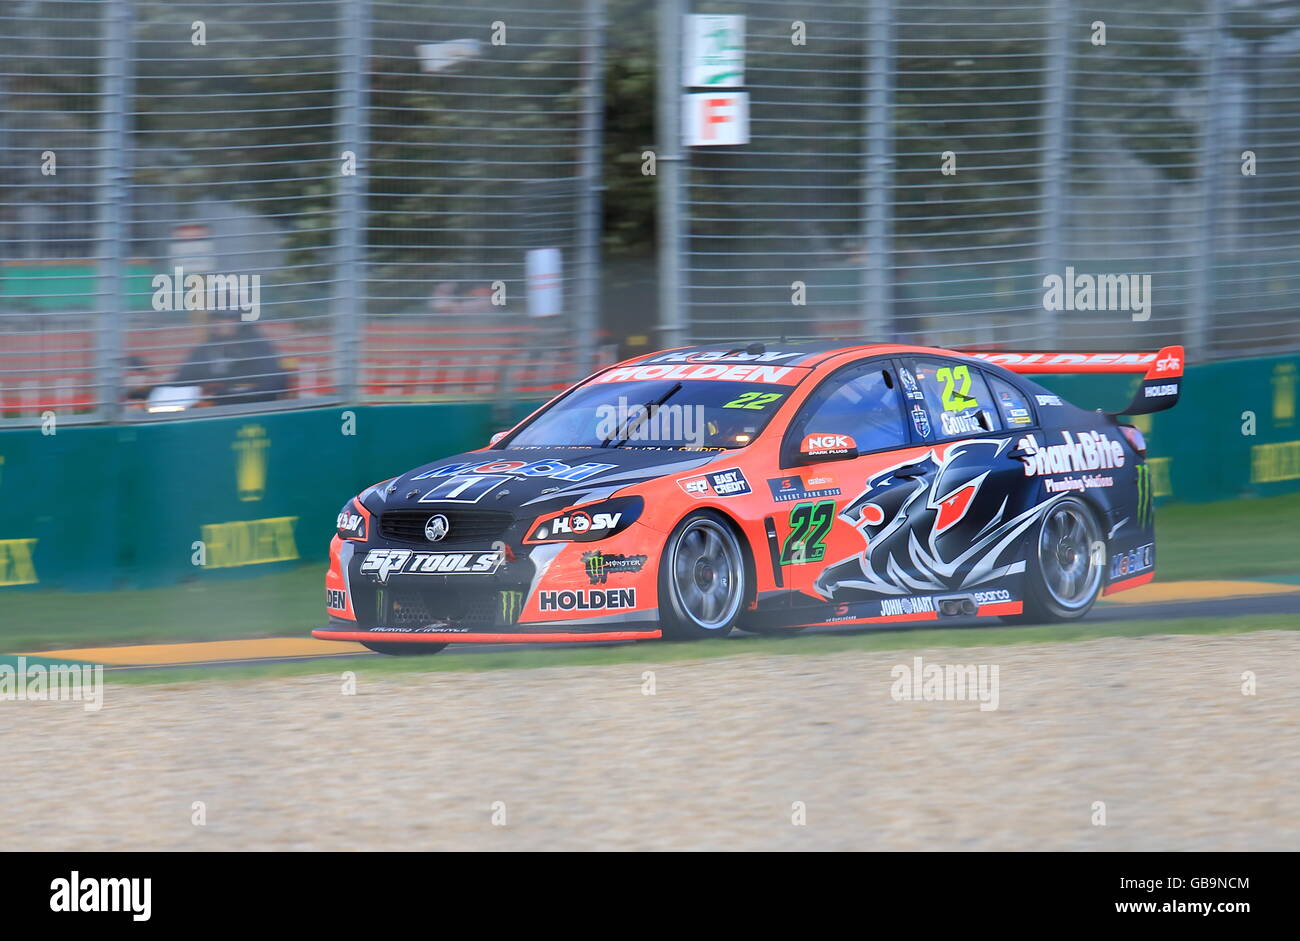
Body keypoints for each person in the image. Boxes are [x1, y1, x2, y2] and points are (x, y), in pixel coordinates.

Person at [174, 320, 289, 406]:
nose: (218, 323)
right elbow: (181, 381)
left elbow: (274, 384)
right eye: (216, 317)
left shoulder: (257, 346)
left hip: (255, 412)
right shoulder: (206, 349)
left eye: (225, 317)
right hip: (214, 415)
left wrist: (231, 392)